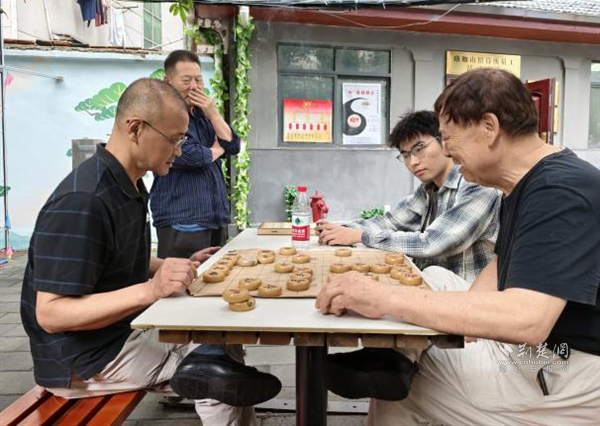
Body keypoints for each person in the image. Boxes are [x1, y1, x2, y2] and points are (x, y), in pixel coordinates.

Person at [317, 68, 600, 424]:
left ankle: (397, 365)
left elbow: (528, 320)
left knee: (407, 385)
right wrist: (463, 329)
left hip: (562, 368)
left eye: (448, 138)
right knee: (435, 277)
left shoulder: (559, 191)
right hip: (537, 352)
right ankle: (396, 358)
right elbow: (499, 265)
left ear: (489, 127)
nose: (447, 150)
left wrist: (383, 299)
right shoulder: (522, 183)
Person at [20, 78, 280, 426]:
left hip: (119, 333)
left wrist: (170, 266)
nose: (179, 151)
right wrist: (152, 289)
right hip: (82, 360)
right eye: (175, 139)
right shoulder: (84, 200)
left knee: (223, 341)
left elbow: (110, 259)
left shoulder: (125, 181)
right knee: (215, 375)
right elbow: (51, 313)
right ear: (136, 129)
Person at [318, 109, 501, 283]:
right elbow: (391, 222)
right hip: (432, 287)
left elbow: (431, 243)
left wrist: (360, 236)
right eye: (405, 155)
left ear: (444, 142)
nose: (413, 162)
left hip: (469, 294)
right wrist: (337, 230)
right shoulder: (428, 190)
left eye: (419, 148)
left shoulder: (478, 185)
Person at [150, 50, 239, 259]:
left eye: (198, 80)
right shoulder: (163, 114)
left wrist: (213, 113)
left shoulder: (203, 113)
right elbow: (188, 154)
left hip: (214, 217)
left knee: (215, 275)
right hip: (182, 220)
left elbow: (233, 144)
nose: (194, 86)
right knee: (182, 277)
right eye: (186, 80)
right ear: (168, 81)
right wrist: (218, 149)